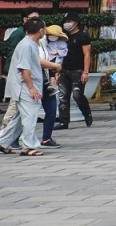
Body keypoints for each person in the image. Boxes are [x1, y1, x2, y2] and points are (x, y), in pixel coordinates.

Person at [0, 18, 52, 155]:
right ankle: (28, 146)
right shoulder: (26, 46)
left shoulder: (31, 44)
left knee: (17, 119)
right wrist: (31, 88)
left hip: (25, 85)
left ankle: (2, 141)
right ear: (40, 30)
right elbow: (24, 69)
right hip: (25, 86)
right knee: (30, 115)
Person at [57, 11, 93, 130]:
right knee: (63, 97)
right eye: (65, 22)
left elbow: (87, 54)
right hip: (64, 70)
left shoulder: (82, 36)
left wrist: (85, 72)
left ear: (76, 23)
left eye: (69, 21)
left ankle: (87, 113)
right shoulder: (62, 37)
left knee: (78, 95)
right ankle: (63, 121)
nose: (67, 24)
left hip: (77, 70)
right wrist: (57, 72)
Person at [40, 24, 67, 148]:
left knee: (51, 111)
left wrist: (53, 73)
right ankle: (10, 139)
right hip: (34, 82)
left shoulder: (44, 46)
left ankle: (46, 138)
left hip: (47, 81)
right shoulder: (29, 46)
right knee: (25, 114)